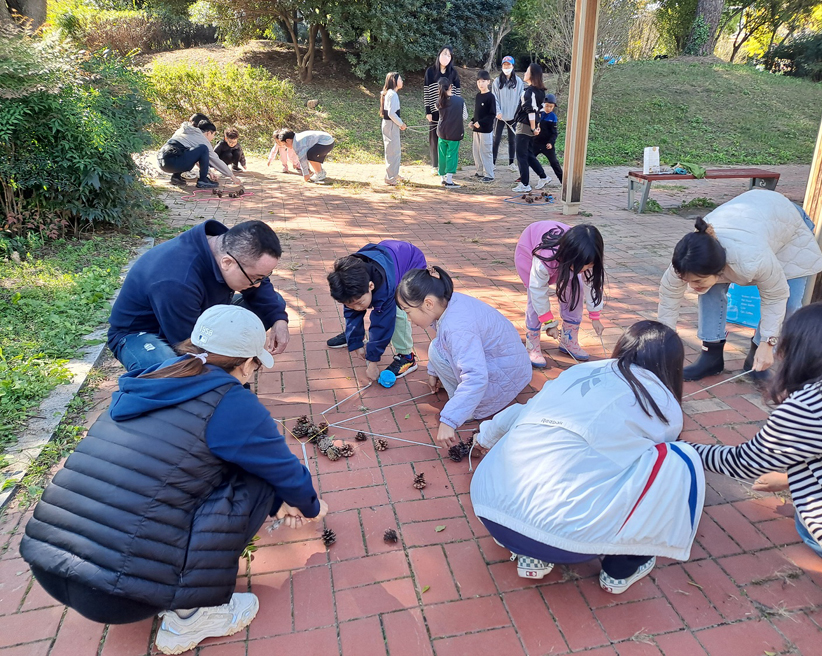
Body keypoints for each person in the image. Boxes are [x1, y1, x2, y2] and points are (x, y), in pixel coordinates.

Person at [20, 305, 328, 654]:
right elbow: (284, 472)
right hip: (117, 598)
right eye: (255, 366)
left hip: (47, 564)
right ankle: (191, 617)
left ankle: (165, 582)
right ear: (245, 363)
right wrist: (310, 506)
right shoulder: (232, 403)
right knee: (259, 480)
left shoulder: (153, 377)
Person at [683, 302, 822, 629]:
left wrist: (685, 449)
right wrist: (789, 477)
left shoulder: (813, 405)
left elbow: (744, 462)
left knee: (811, 530)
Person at [470, 321, 704, 587]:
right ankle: (622, 568)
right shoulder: (663, 402)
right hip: (570, 541)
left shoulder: (578, 372)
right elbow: (656, 467)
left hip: (490, 509)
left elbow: (519, 413)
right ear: (671, 364)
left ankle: (529, 551)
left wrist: (484, 437)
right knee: (675, 459)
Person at [657, 189, 822, 381]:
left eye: (696, 280)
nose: (691, 286)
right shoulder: (686, 258)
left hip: (787, 223)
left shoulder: (753, 259)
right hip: (752, 219)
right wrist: (664, 344)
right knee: (708, 289)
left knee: (789, 303)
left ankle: (756, 359)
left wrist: (768, 343)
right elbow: (669, 298)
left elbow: (775, 296)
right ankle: (711, 357)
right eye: (687, 280)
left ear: (719, 270)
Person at [108, 220, 290, 372]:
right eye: (254, 278)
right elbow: (191, 346)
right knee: (172, 372)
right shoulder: (177, 280)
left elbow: (260, 286)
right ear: (227, 263)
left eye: (262, 277)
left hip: (197, 316)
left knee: (273, 306)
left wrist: (279, 319)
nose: (257, 284)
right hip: (143, 334)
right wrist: (232, 384)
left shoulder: (228, 247)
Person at [396, 266, 531, 448]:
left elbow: (476, 377)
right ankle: (462, 401)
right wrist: (433, 371)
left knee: (436, 349)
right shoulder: (452, 303)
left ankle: (469, 410)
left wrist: (449, 420)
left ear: (428, 304)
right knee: (436, 347)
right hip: (512, 368)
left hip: (501, 381)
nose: (408, 318)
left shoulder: (456, 328)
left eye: (407, 311)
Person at [326, 241, 427, 382]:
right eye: (350, 304)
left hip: (411, 265)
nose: (357, 308)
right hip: (388, 256)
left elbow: (382, 325)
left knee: (397, 311)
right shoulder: (348, 279)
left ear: (371, 285)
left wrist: (372, 362)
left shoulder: (386, 287)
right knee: (353, 304)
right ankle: (354, 335)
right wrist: (355, 341)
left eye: (360, 302)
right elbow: (351, 311)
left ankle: (407, 357)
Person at [514, 221, 605, 367]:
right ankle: (533, 345)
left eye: (590, 265)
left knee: (576, 289)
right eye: (583, 265)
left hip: (565, 260)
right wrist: (549, 322)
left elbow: (592, 285)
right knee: (534, 297)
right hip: (529, 251)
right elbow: (538, 290)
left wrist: (595, 315)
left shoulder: (587, 255)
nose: (586, 268)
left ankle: (568, 341)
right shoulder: (544, 257)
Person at [157, 120, 241, 189]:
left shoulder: (184, 132)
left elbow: (194, 157)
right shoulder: (201, 138)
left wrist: (209, 172)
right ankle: (203, 180)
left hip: (162, 162)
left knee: (186, 151)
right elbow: (215, 159)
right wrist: (232, 176)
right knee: (203, 148)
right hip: (173, 161)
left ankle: (176, 177)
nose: (213, 138)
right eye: (213, 135)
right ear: (209, 133)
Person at [424, 47, 461, 175]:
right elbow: (427, 93)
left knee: (448, 138)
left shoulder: (454, 73)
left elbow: (458, 93)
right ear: (439, 54)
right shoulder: (430, 72)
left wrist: (457, 111)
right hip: (435, 111)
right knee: (434, 138)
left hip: (450, 112)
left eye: (449, 55)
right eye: (444, 53)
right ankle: (435, 165)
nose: (446, 56)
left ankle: (446, 167)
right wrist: (427, 111)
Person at [512, 63, 547, 193]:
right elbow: (540, 112)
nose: (525, 72)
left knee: (521, 155)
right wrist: (537, 127)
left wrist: (534, 128)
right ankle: (543, 176)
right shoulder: (540, 92)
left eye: (527, 70)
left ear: (532, 74)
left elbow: (531, 112)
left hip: (525, 126)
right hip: (531, 126)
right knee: (528, 154)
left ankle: (525, 184)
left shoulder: (530, 92)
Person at [492, 56, 525, 172]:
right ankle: (493, 163)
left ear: (513, 66)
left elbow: (522, 98)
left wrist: (518, 113)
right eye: (504, 65)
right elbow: (494, 98)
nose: (506, 67)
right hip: (499, 117)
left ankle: (511, 163)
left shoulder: (519, 82)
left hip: (513, 117)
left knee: (513, 140)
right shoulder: (496, 81)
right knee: (496, 140)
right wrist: (498, 112)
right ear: (502, 66)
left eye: (508, 65)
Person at [436, 77, 468, 189]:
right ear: (450, 87)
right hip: (454, 132)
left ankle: (442, 178)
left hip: (441, 132)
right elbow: (465, 117)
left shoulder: (438, 101)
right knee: (452, 155)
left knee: (442, 155)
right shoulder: (460, 101)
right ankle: (449, 180)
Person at [381, 72, 407, 186]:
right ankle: (390, 177)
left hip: (390, 124)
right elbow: (392, 113)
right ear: (394, 81)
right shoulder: (392, 95)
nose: (402, 81)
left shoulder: (390, 94)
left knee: (394, 150)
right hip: (391, 124)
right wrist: (401, 124)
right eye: (400, 79)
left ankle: (394, 174)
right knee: (393, 151)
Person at [470, 70, 497, 183]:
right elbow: (477, 113)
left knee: (485, 151)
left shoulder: (490, 97)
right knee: (476, 151)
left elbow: (492, 114)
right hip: (476, 129)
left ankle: (489, 174)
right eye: (479, 81)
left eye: (483, 81)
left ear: (488, 82)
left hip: (485, 130)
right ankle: (479, 171)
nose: (480, 84)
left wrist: (481, 122)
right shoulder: (478, 96)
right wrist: (473, 121)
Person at [531, 93, 562, 187]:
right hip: (536, 143)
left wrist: (551, 143)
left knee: (554, 162)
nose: (549, 108)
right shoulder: (538, 114)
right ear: (543, 104)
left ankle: (563, 181)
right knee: (528, 158)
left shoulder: (553, 117)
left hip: (547, 144)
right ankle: (524, 178)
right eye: (547, 106)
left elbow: (554, 133)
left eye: (551, 107)